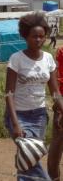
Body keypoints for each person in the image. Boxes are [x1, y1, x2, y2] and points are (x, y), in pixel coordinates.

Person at [4, 13, 63, 181]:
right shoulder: (16, 59)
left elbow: (55, 92)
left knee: (30, 159)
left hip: (39, 116)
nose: (38, 40)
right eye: (34, 36)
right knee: (28, 154)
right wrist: (15, 124)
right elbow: (9, 94)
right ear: (26, 36)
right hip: (19, 115)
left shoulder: (49, 59)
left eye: (41, 36)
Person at [47, 46, 63, 180]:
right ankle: (54, 178)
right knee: (57, 143)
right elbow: (58, 81)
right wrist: (60, 108)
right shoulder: (61, 52)